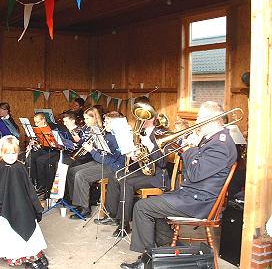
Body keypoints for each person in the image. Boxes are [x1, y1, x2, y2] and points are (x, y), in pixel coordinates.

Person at [120, 101, 237, 269]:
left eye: (199, 118)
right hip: (191, 195)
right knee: (154, 208)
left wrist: (190, 148)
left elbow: (196, 173)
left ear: (210, 119)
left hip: (199, 202)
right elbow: (196, 167)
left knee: (142, 207)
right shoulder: (213, 139)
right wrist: (186, 147)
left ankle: (147, 261)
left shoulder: (220, 144)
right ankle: (166, 255)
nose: (196, 122)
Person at [96, 106, 168, 237]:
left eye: (144, 117)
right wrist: (135, 155)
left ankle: (124, 224)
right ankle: (113, 215)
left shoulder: (161, 134)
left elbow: (162, 163)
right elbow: (141, 158)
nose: (139, 120)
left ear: (151, 118)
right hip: (144, 170)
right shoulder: (141, 133)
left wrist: (150, 146)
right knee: (117, 175)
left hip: (157, 175)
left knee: (126, 181)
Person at [0, 136, 48, 268]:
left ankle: (31, 255)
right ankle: (13, 255)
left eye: (13, 153)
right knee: (7, 230)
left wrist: (35, 206)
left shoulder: (19, 167)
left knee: (26, 224)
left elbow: (29, 188)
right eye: (7, 153)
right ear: (1, 152)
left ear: (17, 152)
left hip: (21, 206)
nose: (11, 156)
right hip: (2, 208)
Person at [69, 111, 125, 219]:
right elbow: (102, 154)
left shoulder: (117, 137)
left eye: (107, 122)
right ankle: (78, 203)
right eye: (105, 121)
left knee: (81, 175)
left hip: (112, 167)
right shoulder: (109, 135)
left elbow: (107, 160)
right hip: (102, 162)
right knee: (72, 171)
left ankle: (85, 209)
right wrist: (95, 148)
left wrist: (92, 150)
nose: (104, 124)